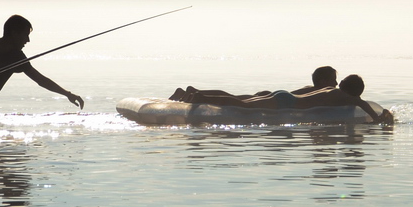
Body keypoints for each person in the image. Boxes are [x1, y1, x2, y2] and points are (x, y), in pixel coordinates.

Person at [180, 74, 393, 124]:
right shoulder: (349, 98)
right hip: (286, 103)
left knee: (241, 100)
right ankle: (200, 96)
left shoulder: (331, 89)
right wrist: (380, 119)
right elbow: (365, 106)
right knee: (241, 104)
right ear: (356, 91)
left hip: (285, 96)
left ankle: (200, 94)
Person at [168, 65, 338, 101]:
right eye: (333, 80)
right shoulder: (323, 91)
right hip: (273, 98)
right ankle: (197, 95)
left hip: (271, 94)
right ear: (323, 81)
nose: (336, 83)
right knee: (234, 100)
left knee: (233, 97)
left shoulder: (311, 88)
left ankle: (193, 91)